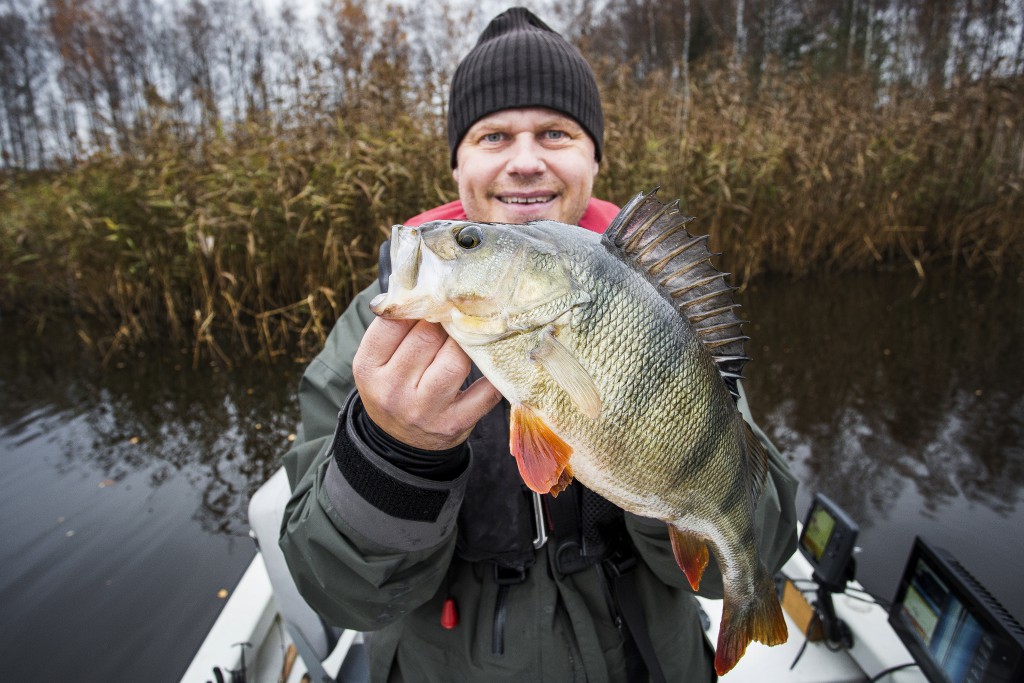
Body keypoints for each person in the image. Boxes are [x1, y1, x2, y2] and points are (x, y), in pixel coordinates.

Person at [279, 7, 798, 682]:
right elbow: (338, 590)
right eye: (493, 136)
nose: (525, 162)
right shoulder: (372, 337)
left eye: (555, 132)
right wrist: (388, 453)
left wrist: (668, 454)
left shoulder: (668, 314)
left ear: (593, 158)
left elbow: (769, 534)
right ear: (458, 165)